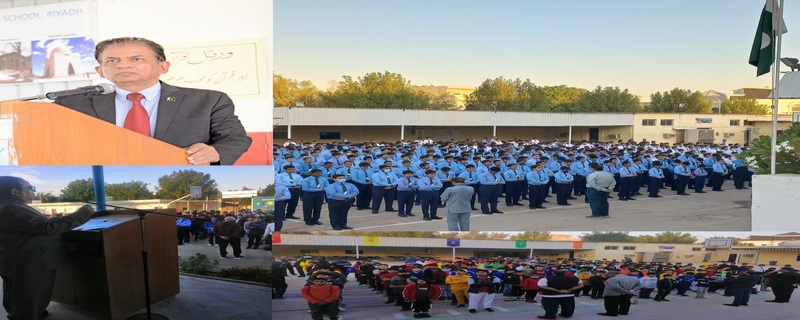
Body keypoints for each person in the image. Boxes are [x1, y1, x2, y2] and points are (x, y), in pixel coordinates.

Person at [54, 37, 251, 165]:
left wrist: (214, 152)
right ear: (100, 71)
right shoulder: (72, 105)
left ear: (163, 67)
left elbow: (235, 139)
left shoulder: (209, 100)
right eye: (112, 61)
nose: (123, 65)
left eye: (136, 59)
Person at [0, 177, 100, 320]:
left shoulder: (7, 205)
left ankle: (20, 314)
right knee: (32, 294)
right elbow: (46, 229)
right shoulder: (10, 208)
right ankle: (27, 315)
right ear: (15, 191)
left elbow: (30, 226)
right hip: (31, 261)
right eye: (31, 188)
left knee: (16, 292)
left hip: (16, 260)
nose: (33, 192)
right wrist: (82, 214)